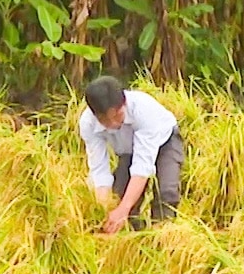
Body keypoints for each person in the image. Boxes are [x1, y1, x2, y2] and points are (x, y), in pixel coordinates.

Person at [79, 75, 185, 232]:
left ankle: (164, 238)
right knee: (119, 196)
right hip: (128, 151)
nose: (115, 123)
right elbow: (99, 170)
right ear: (96, 115)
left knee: (166, 193)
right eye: (107, 120)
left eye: (118, 115)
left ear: (124, 103)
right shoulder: (88, 124)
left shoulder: (143, 110)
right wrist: (105, 208)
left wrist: (123, 209)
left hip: (165, 142)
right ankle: (133, 240)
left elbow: (142, 167)